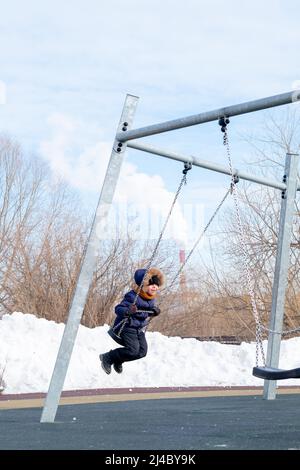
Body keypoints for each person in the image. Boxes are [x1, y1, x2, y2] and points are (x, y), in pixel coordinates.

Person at [99, 267, 165, 374]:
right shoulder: (132, 296)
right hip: (127, 327)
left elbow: (145, 311)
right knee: (132, 350)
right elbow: (118, 308)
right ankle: (108, 357)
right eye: (151, 284)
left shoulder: (151, 298)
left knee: (142, 352)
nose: (155, 287)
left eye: (157, 285)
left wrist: (154, 312)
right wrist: (127, 311)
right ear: (143, 285)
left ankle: (118, 359)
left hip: (138, 329)